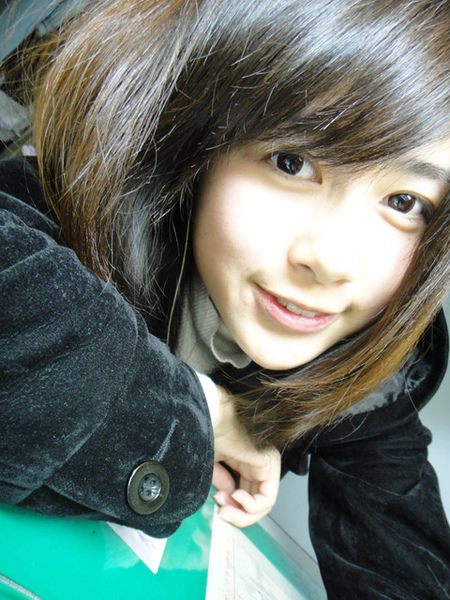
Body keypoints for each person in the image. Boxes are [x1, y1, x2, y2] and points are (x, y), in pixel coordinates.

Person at [1, 0, 449, 597]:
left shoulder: (379, 372)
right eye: (293, 162)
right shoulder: (77, 203)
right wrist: (209, 416)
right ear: (200, 143)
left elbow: (402, 554)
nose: (332, 261)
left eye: (404, 203)